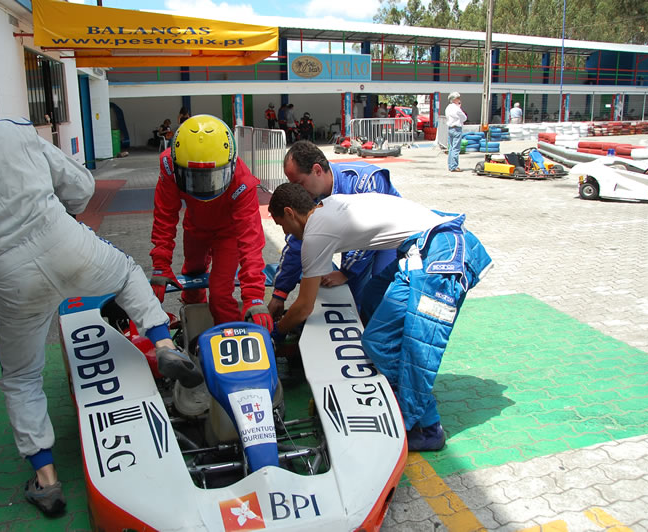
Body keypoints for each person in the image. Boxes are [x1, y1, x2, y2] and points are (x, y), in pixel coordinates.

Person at [0, 67, 202, 517]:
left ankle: (47, 480)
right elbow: (81, 186)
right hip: (64, 239)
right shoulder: (11, 132)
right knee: (127, 275)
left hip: (10, 276)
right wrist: (61, 214)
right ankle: (164, 344)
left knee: (21, 377)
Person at [268, 183, 493, 452]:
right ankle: (395, 379)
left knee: (407, 347)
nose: (285, 233)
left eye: (281, 225)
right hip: (428, 244)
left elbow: (304, 307)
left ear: (290, 213)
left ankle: (428, 429)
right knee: (374, 296)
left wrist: (277, 332)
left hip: (441, 254)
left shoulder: (315, 233)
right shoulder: (329, 207)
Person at [150, 114, 272, 331]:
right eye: (194, 177)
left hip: (228, 234)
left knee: (220, 293)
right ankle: (193, 327)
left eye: (212, 177)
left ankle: (233, 336)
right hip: (195, 227)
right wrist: (161, 265)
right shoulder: (170, 166)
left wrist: (254, 297)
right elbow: (165, 216)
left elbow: (251, 241)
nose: (203, 185)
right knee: (192, 275)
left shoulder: (242, 182)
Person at [267, 140, 401, 321]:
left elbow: (373, 230)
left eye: (299, 183)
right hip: (359, 246)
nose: (297, 190)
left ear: (317, 170)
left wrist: (347, 273)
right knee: (351, 302)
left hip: (391, 242)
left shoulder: (364, 180)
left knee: (379, 299)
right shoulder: (310, 197)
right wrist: (280, 293)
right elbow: (297, 242)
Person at [445, 92, 467, 173]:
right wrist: (459, 107)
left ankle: (450, 165)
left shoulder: (448, 108)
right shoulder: (457, 108)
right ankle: (454, 166)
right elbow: (464, 118)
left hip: (450, 128)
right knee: (456, 148)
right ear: (454, 99)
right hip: (457, 128)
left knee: (451, 148)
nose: (459, 100)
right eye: (458, 98)